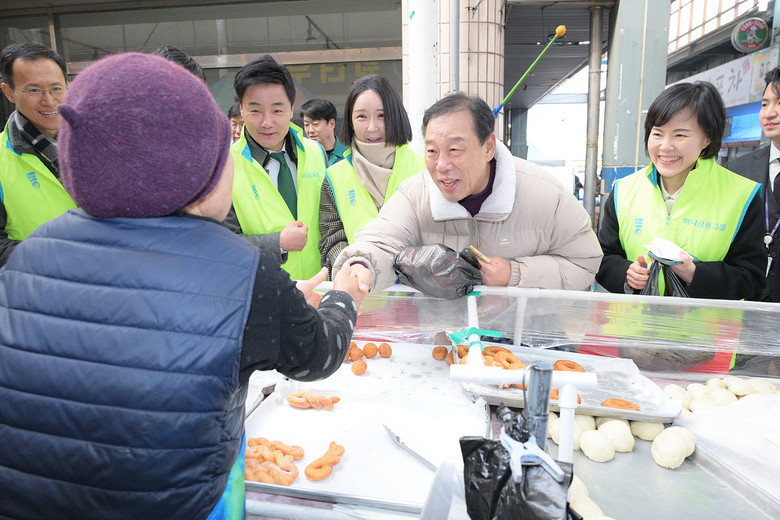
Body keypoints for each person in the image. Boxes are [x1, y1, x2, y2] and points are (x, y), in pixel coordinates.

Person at [0, 52, 367, 520]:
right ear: (197, 171)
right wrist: (343, 298)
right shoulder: (237, 270)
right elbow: (318, 355)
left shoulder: (29, 255)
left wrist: (279, 305)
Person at [333, 92, 603, 293]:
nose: (441, 165)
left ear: (488, 147)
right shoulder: (415, 195)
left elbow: (585, 263)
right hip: (443, 341)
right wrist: (361, 267)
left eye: (455, 150)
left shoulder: (546, 195)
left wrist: (515, 273)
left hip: (525, 341)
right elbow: (380, 241)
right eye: (432, 151)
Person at [597, 81, 765, 300]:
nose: (665, 146)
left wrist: (695, 275)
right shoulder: (623, 191)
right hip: (634, 322)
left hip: (707, 323)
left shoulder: (742, 196)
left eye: (680, 135)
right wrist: (626, 275)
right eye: (658, 134)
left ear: (707, 138)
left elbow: (752, 279)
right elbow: (603, 258)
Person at [225, 55, 328, 280]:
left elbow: (331, 226)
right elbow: (223, 245)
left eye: (277, 111)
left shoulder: (316, 153)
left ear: (291, 109)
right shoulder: (225, 166)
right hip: (262, 292)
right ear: (241, 110)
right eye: (255, 111)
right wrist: (277, 242)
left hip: (319, 288)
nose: (267, 122)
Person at [319, 75, 425, 274]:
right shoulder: (334, 176)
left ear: (396, 116)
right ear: (350, 121)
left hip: (416, 289)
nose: (372, 127)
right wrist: (352, 267)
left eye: (382, 115)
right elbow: (332, 238)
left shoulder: (425, 169)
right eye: (362, 116)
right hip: (359, 286)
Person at [0, 43, 75, 267]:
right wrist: (51, 258)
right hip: (40, 285)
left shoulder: (100, 143)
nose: (49, 101)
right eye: (33, 90)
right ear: (9, 92)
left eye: (56, 88)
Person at [726, 67, 780, 301]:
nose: (769, 113)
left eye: (779, 103)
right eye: (765, 104)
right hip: (747, 304)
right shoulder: (737, 170)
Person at [300, 97, 347, 165]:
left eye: (315, 124)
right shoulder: (301, 155)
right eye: (306, 125)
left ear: (331, 124)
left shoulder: (348, 154)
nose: (310, 130)